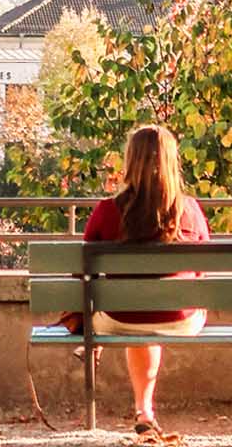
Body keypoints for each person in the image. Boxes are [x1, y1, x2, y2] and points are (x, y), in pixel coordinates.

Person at [83, 123, 210, 439]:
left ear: (130, 160)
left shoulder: (106, 211)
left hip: (117, 318)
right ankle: (144, 411)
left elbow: (82, 273)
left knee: (136, 318)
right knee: (154, 316)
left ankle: (144, 410)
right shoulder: (190, 210)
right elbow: (203, 269)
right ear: (171, 161)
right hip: (180, 319)